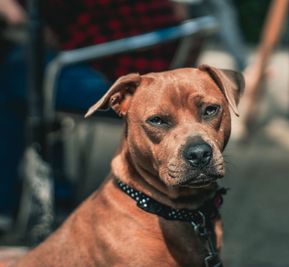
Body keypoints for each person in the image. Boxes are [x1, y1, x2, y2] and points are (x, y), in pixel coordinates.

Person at [0, 0, 184, 231]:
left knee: (18, 79)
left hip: (122, 83)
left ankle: (35, 202)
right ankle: (51, 198)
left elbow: (24, 18)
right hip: (150, 68)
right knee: (24, 75)